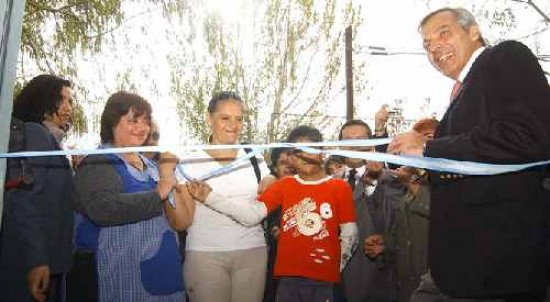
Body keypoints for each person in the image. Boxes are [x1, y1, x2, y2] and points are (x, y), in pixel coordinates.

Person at [388, 7, 550, 301]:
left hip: (499, 267)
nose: (434, 47)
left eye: (443, 33)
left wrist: (428, 148)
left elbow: (529, 136)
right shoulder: (462, 92)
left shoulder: (505, 57)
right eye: (427, 44)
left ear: (473, 31)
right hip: (458, 267)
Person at [187, 125, 358, 302]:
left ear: (322, 152)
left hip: (324, 283)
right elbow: (251, 216)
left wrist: (335, 267)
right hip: (287, 281)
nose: (305, 156)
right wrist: (210, 197)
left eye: (311, 149)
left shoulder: (339, 187)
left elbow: (350, 234)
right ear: (291, 157)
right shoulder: (283, 186)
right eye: (298, 151)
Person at [72, 91, 193, 301]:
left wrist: (172, 184)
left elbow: (175, 215)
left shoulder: (151, 165)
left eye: (145, 121)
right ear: (112, 123)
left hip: (164, 275)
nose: (142, 128)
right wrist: (157, 196)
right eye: (132, 120)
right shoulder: (98, 162)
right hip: (125, 279)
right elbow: (103, 209)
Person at [176, 91, 271, 302]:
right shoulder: (189, 161)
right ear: (208, 118)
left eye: (239, 119)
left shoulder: (254, 157)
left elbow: (268, 191)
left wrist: (272, 182)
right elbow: (182, 221)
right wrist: (167, 182)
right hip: (204, 253)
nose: (234, 125)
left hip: (252, 252)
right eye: (225, 118)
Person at [0, 74, 75, 302]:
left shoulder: (50, 141)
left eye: (70, 101)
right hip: (30, 264)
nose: (68, 108)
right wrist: (36, 260)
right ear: (42, 101)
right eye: (61, 100)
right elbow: (23, 198)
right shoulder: (35, 133)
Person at [338, 119, 398, 302]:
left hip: (372, 278)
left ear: (371, 144)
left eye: (361, 140)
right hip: (330, 280)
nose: (354, 146)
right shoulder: (329, 181)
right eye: (348, 141)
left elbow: (394, 228)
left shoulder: (390, 180)